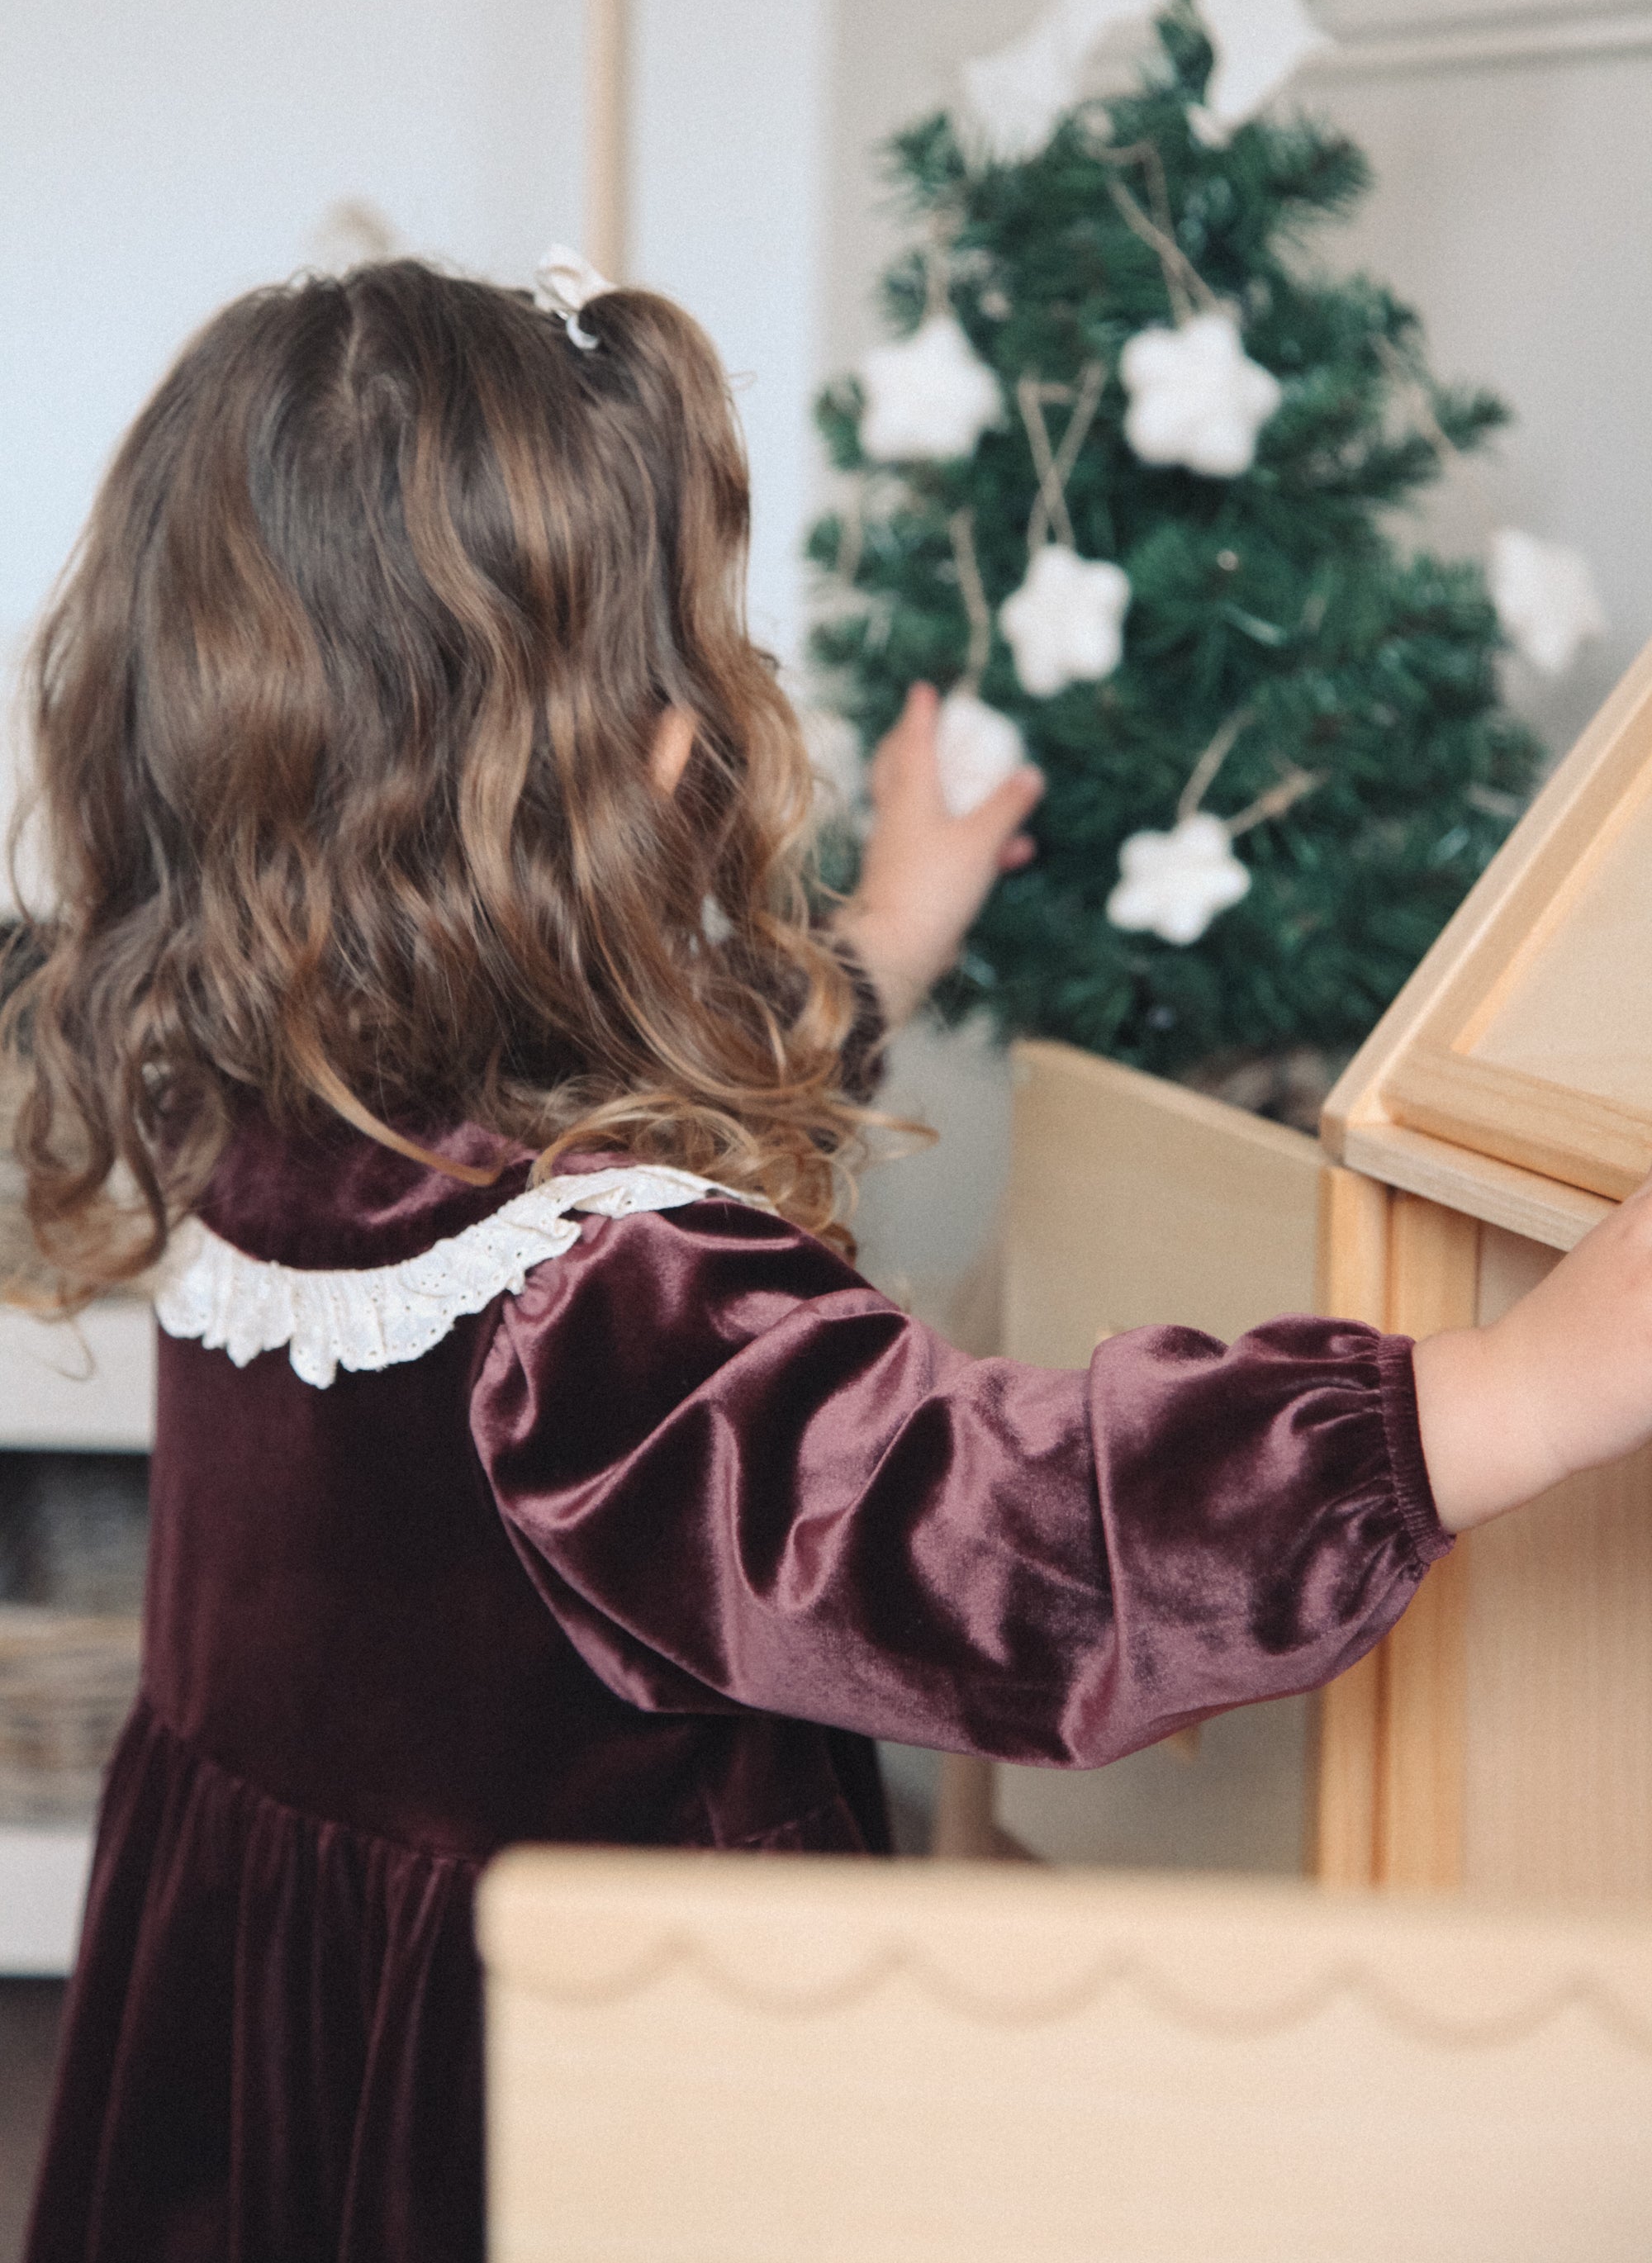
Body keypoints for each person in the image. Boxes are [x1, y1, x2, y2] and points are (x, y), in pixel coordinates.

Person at [15, 258, 1652, 2263]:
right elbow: (1012, 1539)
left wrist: (889, 927)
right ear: (638, 763)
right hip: (561, 2071)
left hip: (264, 1999)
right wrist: (1517, 1390)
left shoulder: (234, 1081)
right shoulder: (592, 1311)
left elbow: (595, 1119)